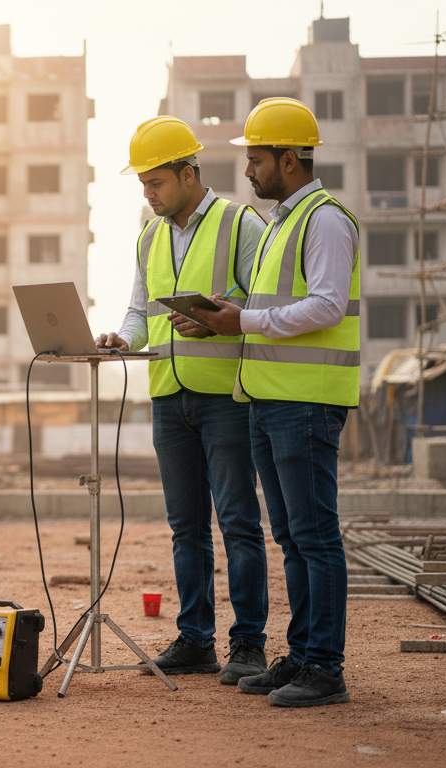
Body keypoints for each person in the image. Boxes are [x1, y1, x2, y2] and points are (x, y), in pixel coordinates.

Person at [194, 97, 359, 708]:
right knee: (292, 538)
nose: (247, 171)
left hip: (306, 404)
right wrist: (225, 314)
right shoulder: (286, 222)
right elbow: (268, 308)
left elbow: (327, 305)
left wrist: (246, 319)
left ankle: (327, 668)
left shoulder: (325, 219)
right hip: (270, 401)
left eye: (256, 158)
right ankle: (304, 655)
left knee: (316, 538)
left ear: (289, 160)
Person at [97, 116, 270, 685]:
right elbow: (141, 310)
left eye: (157, 183)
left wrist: (221, 322)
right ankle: (196, 639)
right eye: (143, 185)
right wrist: (123, 338)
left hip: (225, 396)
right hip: (169, 396)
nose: (148, 193)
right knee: (186, 527)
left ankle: (247, 642)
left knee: (239, 522)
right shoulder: (150, 232)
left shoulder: (239, 223)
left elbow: (259, 309)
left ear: (189, 173)